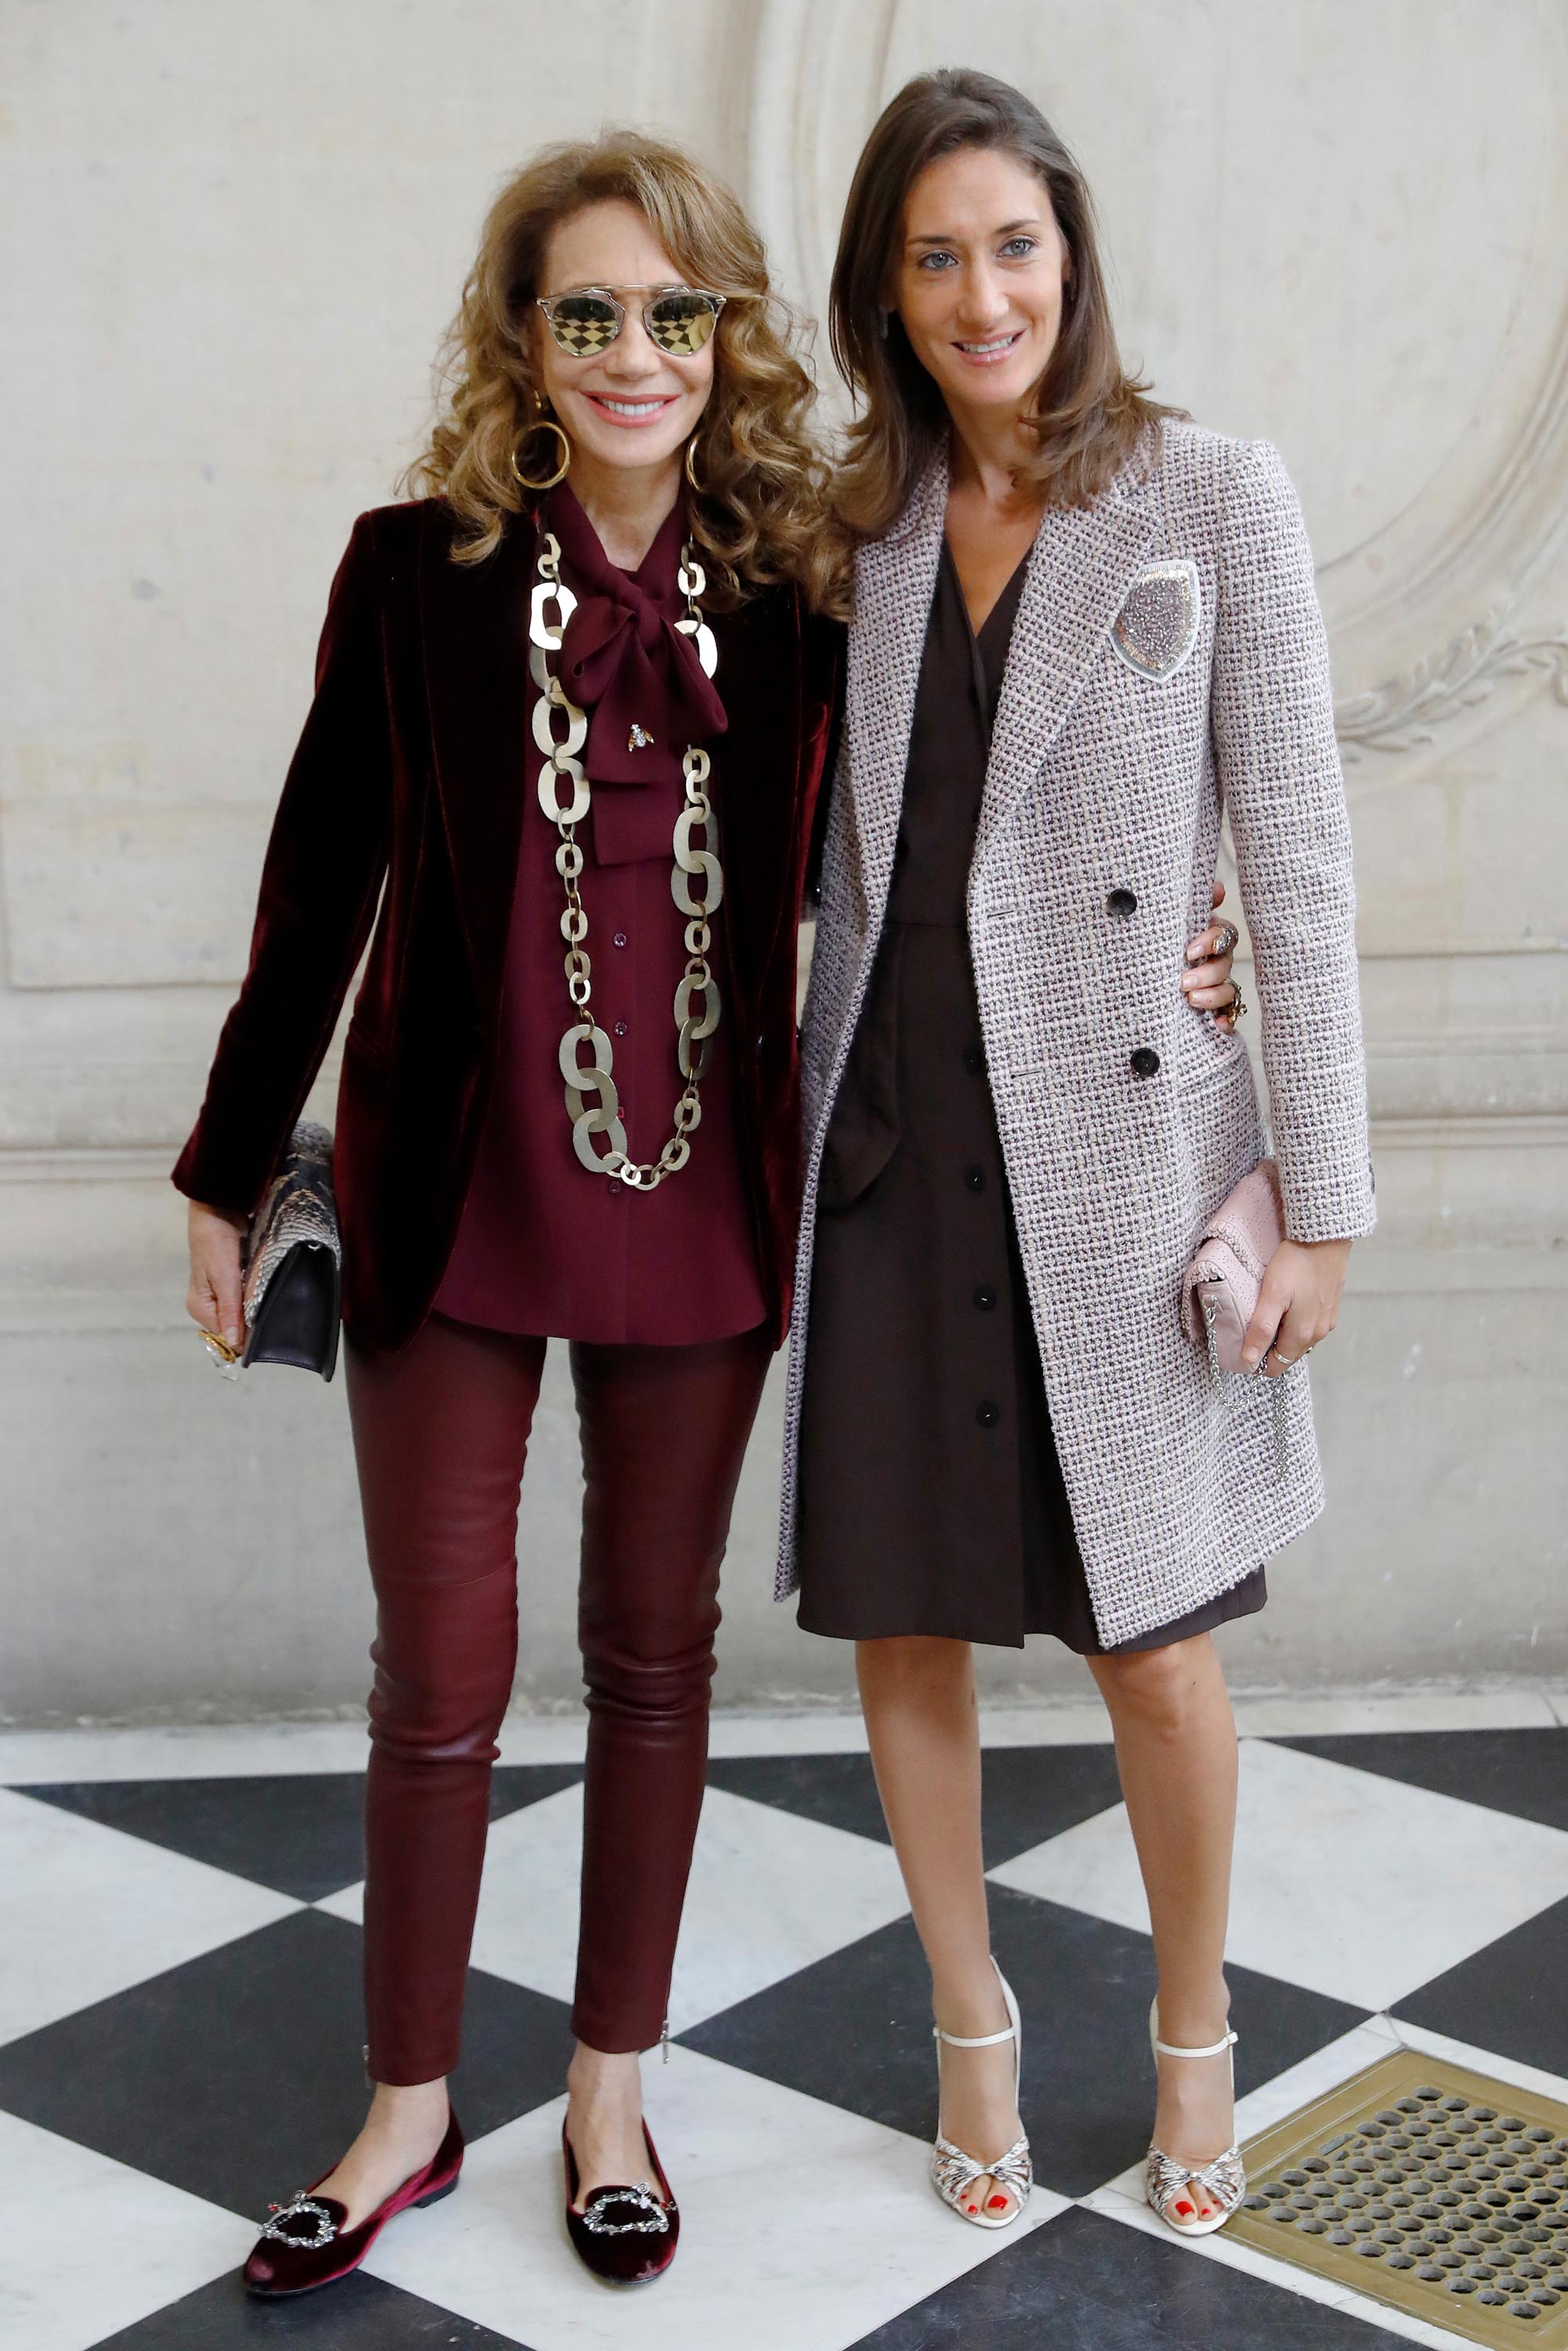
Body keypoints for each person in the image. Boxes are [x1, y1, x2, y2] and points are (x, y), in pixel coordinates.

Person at [178, 125, 1237, 2294]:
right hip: (458, 1182)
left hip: (711, 1189)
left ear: (729, 333)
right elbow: (320, 882)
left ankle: (606, 2091)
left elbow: (981, 806)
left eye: (675, 310)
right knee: (438, 1673)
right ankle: (403, 2112)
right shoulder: (413, 569)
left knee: (656, 1663)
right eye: (588, 312)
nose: (635, 353)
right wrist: (226, 1159)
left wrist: (1189, 939)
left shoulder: (808, 581)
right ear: (524, 341)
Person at [782, 69, 1373, 2241]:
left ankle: (1195, 2039)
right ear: (888, 294)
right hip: (891, 1135)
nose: (978, 291)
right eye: (932, 257)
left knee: (1156, 1646)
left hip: (1121, 1163)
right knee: (908, 1627)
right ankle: (970, 2032)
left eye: (1008, 243)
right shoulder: (847, 529)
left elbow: (1294, 860)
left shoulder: (1207, 497)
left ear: (1071, 252)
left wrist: (1321, 1196)